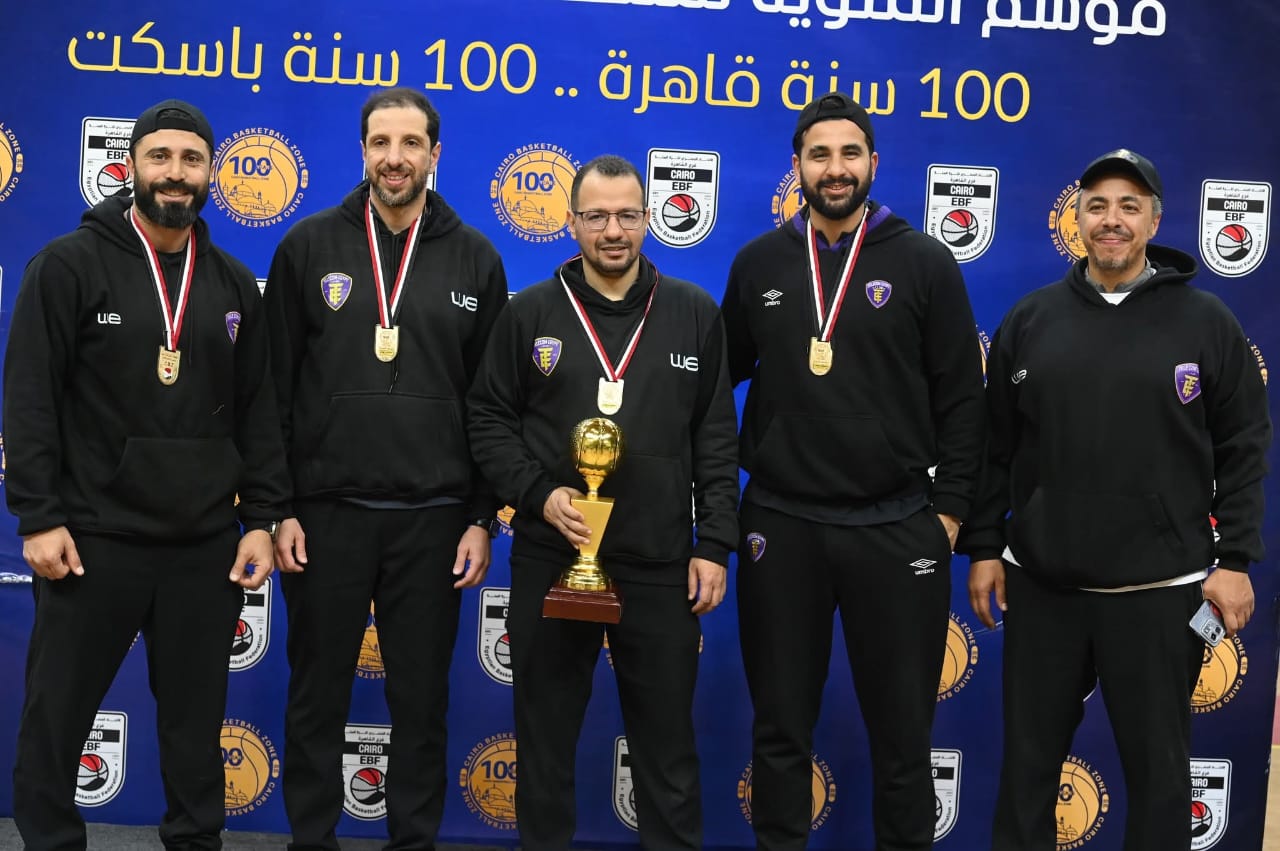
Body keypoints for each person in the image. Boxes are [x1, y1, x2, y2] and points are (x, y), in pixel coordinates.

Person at [960, 149, 1271, 850]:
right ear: (1076, 219)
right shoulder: (1031, 320)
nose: (1112, 219)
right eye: (1097, 205)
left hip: (1159, 592)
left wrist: (1235, 559)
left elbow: (1244, 448)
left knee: (1160, 778)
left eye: (1130, 206)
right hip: (1044, 587)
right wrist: (983, 547)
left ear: (1154, 222)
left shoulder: (1206, 322)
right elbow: (993, 449)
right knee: (1028, 773)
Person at [4, 98, 288, 851]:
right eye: (160, 156)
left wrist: (260, 518)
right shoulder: (67, 266)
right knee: (58, 716)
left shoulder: (233, 283)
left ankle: (195, 842)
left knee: (195, 727)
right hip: (91, 540)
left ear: (211, 173)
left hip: (203, 545)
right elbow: (29, 399)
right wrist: (38, 515)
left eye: (191, 159)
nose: (175, 172)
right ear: (131, 165)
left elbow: (259, 413)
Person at [719, 93, 986, 851]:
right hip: (782, 523)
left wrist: (949, 514)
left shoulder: (925, 261)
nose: (834, 169)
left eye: (849, 154)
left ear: (873, 162)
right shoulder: (760, 262)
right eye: (819, 155)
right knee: (779, 729)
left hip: (895, 525)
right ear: (797, 166)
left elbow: (964, 400)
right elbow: (713, 387)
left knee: (904, 736)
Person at [467, 154, 739, 849]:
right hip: (553, 556)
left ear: (647, 219)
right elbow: (488, 420)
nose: (612, 231)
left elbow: (715, 438)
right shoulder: (529, 312)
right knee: (545, 743)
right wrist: (538, 493)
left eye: (626, 215)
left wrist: (714, 543)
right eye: (596, 216)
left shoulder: (693, 312)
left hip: (658, 562)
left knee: (667, 750)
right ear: (571, 222)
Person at [262, 87, 508, 851]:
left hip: (434, 519)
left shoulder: (476, 257)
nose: (394, 158)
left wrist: (480, 514)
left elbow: (491, 404)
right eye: (380, 142)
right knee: (316, 695)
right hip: (324, 514)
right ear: (363, 150)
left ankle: (413, 842)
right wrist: (277, 508)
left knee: (421, 702)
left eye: (410, 143)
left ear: (436, 153)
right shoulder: (308, 246)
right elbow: (271, 390)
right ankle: (311, 840)